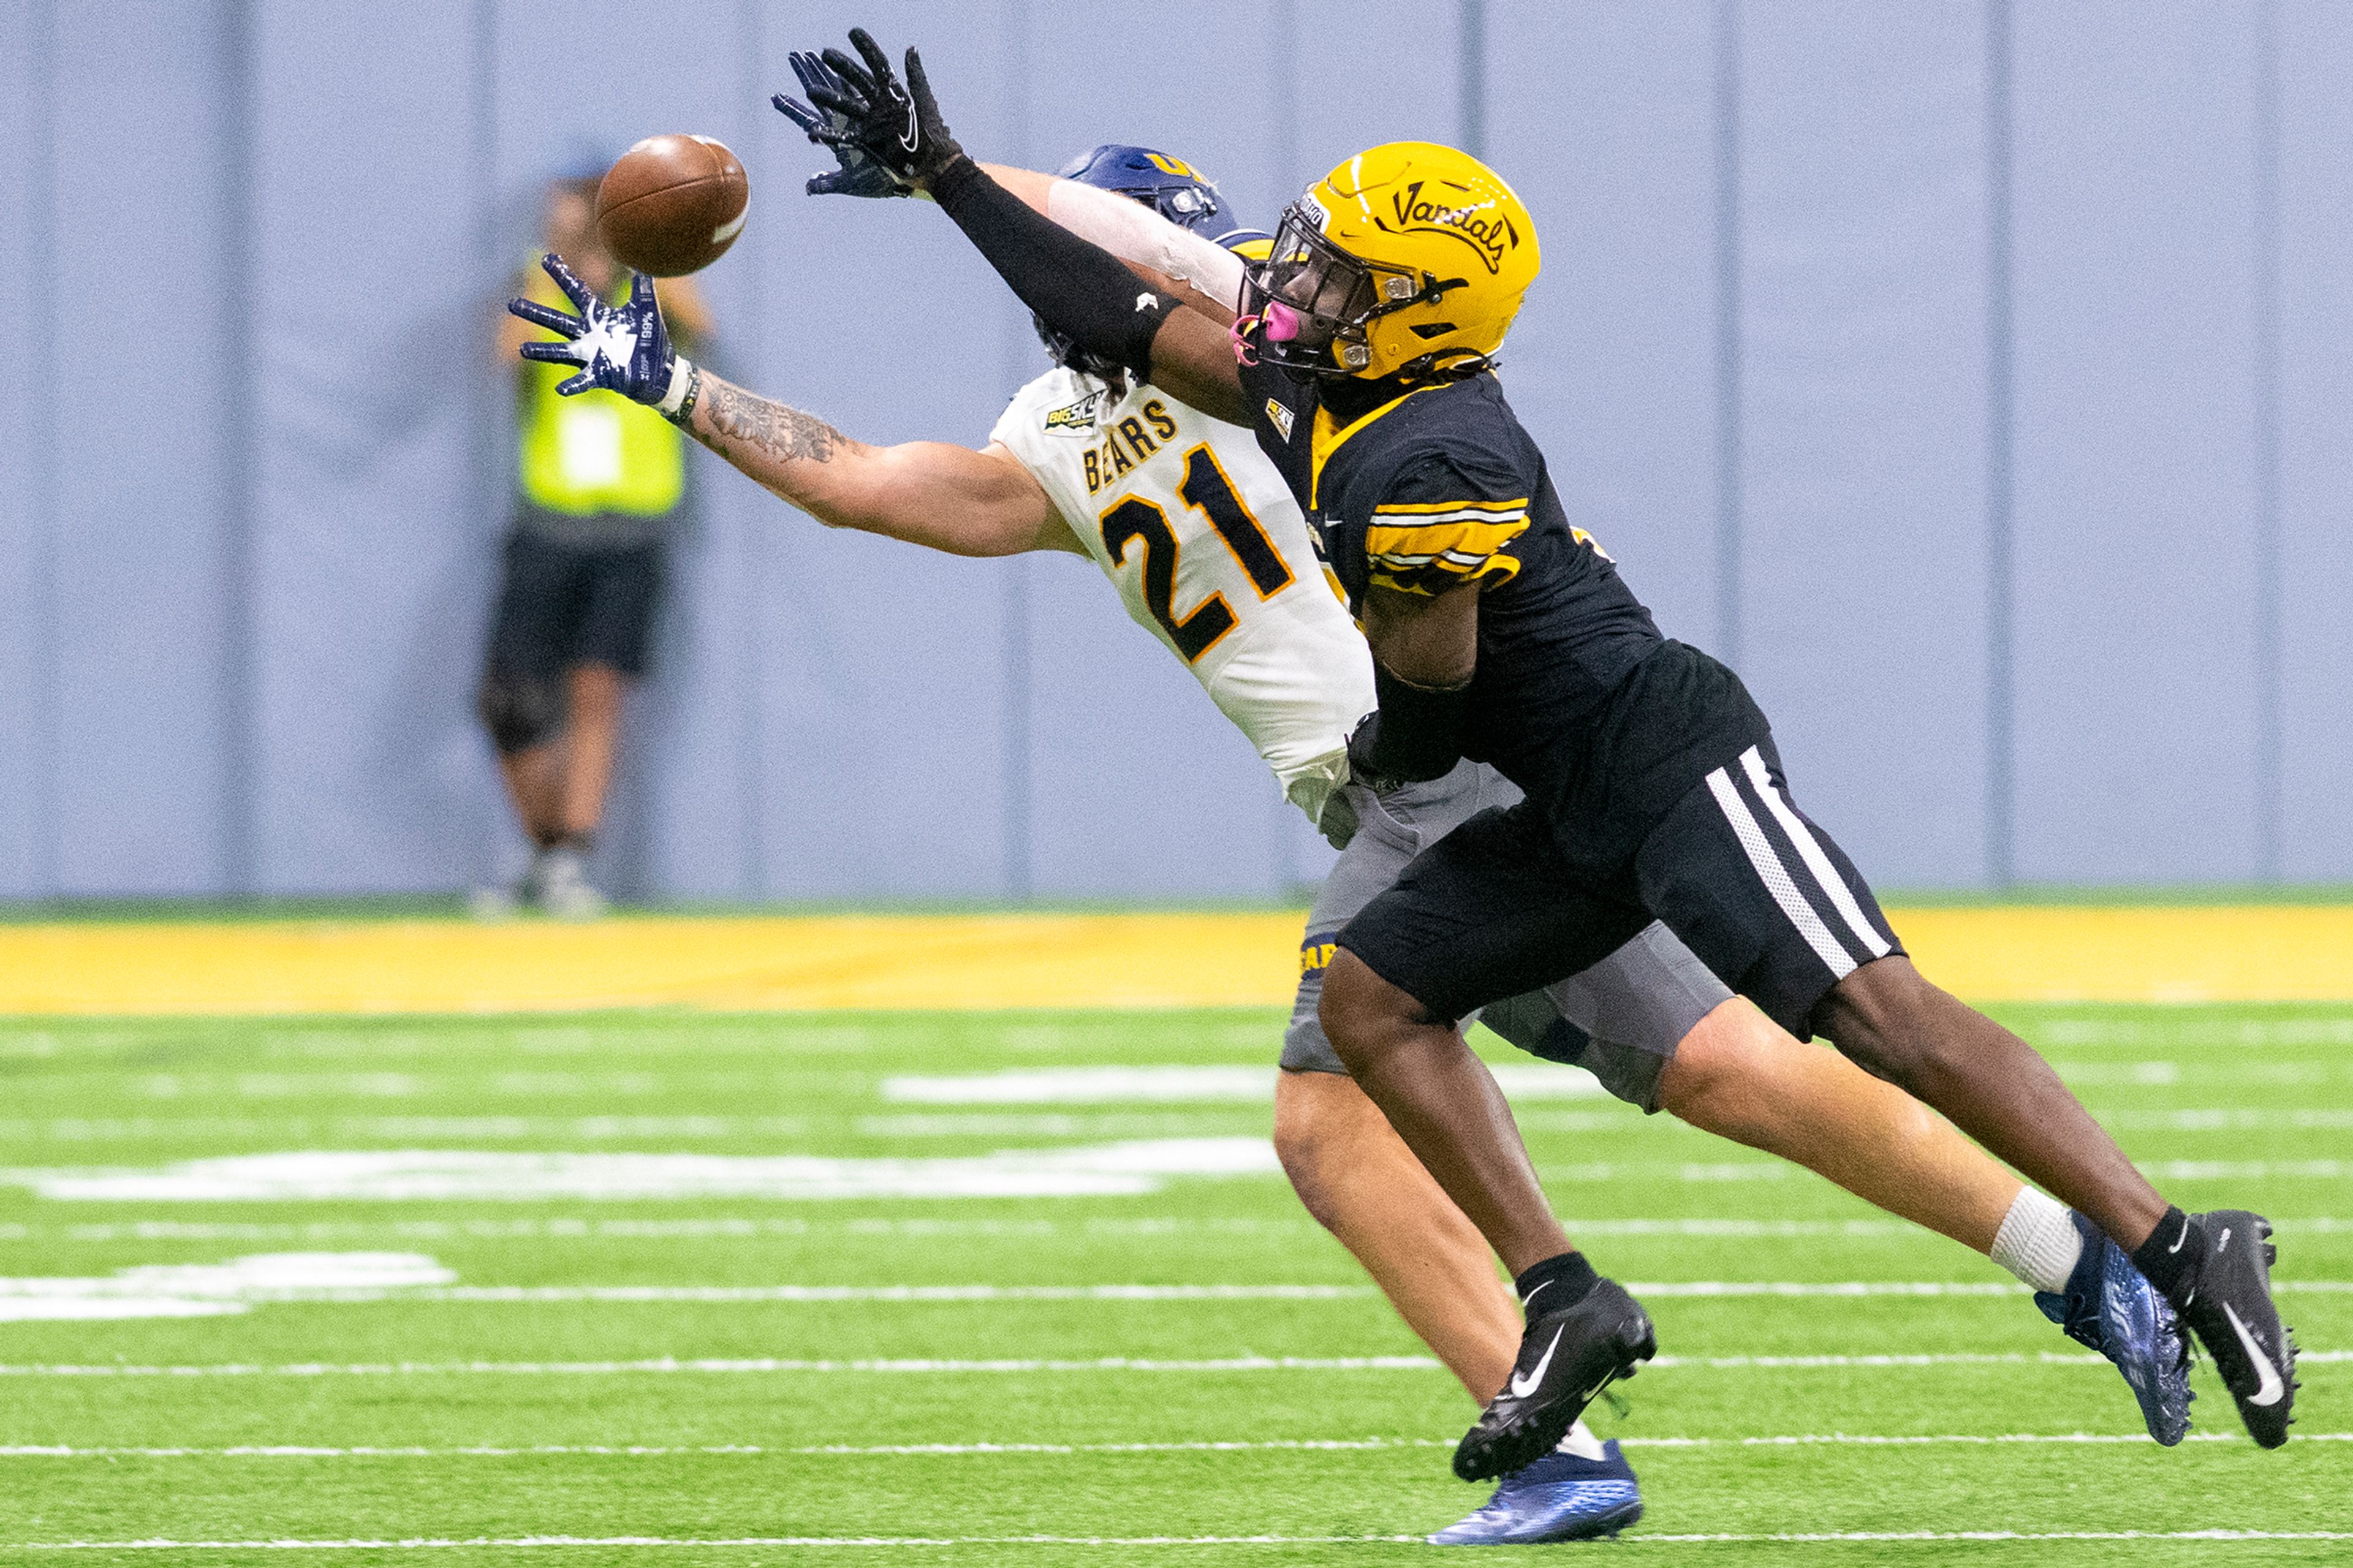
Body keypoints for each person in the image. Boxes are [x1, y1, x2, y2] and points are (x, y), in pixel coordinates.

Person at [509, 97, 2197, 1540]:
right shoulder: (1073, 422)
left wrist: (951, 164)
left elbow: (1162, 263)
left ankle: (1658, 1403)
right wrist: (680, 395)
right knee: (1712, 1069)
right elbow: (886, 487)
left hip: (1453, 763)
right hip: (1387, 789)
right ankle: (2049, 1265)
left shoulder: (1285, 346)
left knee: (1385, 1109)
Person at [476, 169, 714, 918]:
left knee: (597, 691)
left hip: (633, 522)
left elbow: (697, 322)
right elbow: (507, 352)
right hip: (550, 518)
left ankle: (569, 858)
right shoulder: (544, 288)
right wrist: (556, 260)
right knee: (508, 700)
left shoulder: (648, 292)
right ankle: (549, 854)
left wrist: (638, 245)